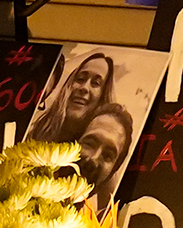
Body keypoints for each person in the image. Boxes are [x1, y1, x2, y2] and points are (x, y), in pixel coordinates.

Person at [23, 49, 138, 203]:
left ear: (103, 94)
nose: (84, 87)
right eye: (81, 78)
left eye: (96, 83)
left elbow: (107, 210)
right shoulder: (38, 130)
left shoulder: (101, 154)